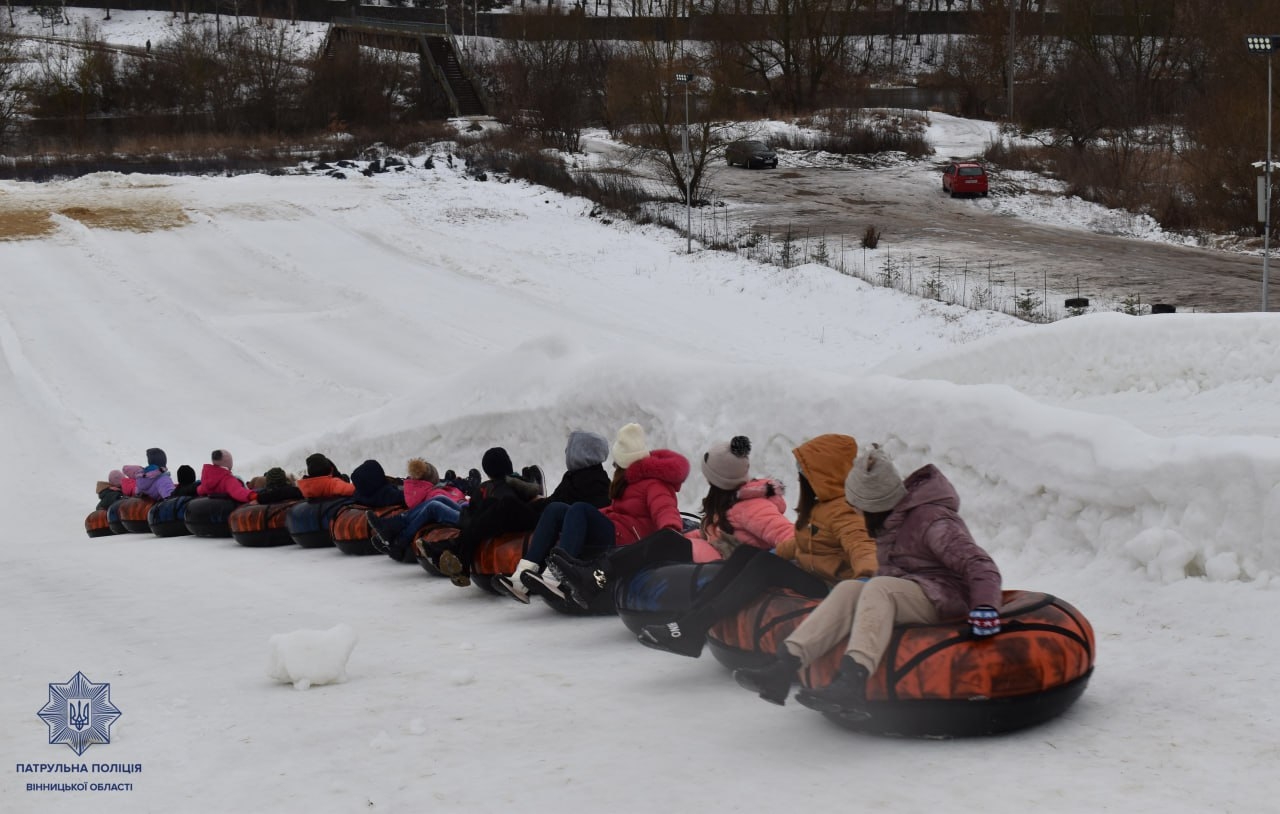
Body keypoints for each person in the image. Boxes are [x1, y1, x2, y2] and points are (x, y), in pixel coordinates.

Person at [733, 444, 1003, 718]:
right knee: (850, 588)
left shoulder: (932, 520)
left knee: (878, 587)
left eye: (860, 507)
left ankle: (853, 683)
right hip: (909, 590)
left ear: (877, 504)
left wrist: (985, 606)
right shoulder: (889, 520)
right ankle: (784, 667)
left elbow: (978, 563)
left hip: (945, 597)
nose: (857, 514)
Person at [635, 433, 875, 658]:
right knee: (748, 555)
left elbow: (863, 547)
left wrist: (865, 581)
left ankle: (691, 626)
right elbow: (803, 543)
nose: (801, 477)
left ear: (825, 474)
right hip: (814, 572)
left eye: (806, 472)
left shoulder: (845, 512)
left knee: (763, 565)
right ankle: (690, 624)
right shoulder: (823, 507)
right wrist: (775, 553)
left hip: (831, 586)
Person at [550, 435, 794, 609]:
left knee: (663, 541)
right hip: (710, 552)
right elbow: (711, 534)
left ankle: (594, 578)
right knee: (662, 542)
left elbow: (789, 537)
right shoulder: (730, 501)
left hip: (722, 563)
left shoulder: (753, 506)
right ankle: (594, 575)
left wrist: (756, 563)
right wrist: (686, 537)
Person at [498, 423, 690, 603]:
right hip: (616, 530)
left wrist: (671, 530)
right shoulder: (628, 481)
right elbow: (617, 510)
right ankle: (521, 579)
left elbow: (665, 508)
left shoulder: (654, 483)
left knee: (579, 508)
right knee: (556, 509)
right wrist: (594, 516)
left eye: (617, 462)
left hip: (628, 541)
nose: (614, 466)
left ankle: (555, 576)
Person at [430, 446, 545, 587]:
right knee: (491, 505)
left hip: (520, 518)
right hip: (509, 517)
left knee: (497, 504)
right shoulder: (510, 484)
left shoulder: (506, 486)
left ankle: (453, 550)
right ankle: (456, 555)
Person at [367, 458, 466, 561]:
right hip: (471, 513)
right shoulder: (435, 491)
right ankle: (395, 532)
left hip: (472, 517)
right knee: (439, 499)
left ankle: (397, 536)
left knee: (434, 506)